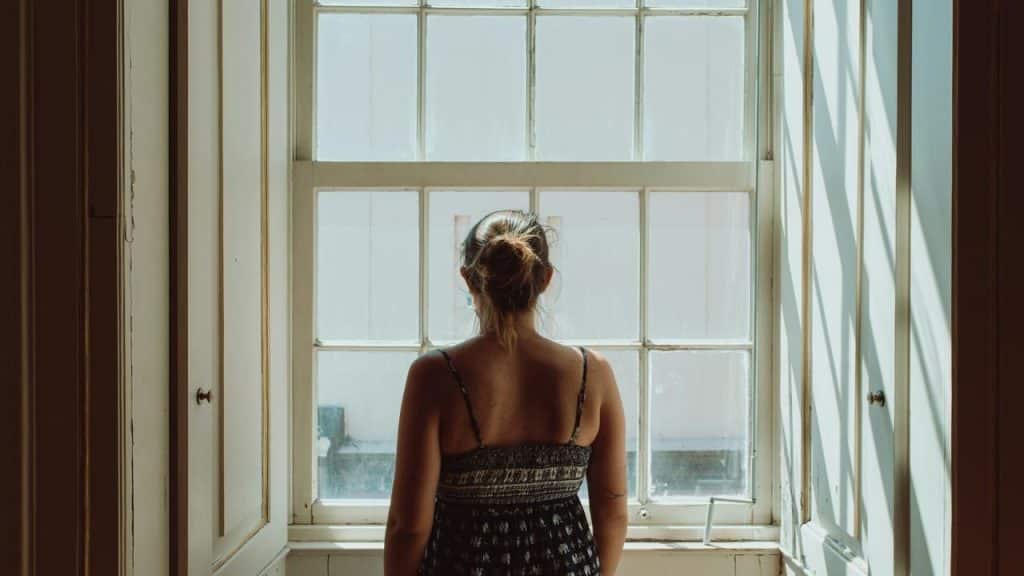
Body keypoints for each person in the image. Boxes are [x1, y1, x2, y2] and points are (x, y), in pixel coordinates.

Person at [384, 210, 628, 575]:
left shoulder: (434, 376)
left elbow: (409, 525)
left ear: (468, 279)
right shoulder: (593, 374)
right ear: (545, 279)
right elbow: (613, 512)